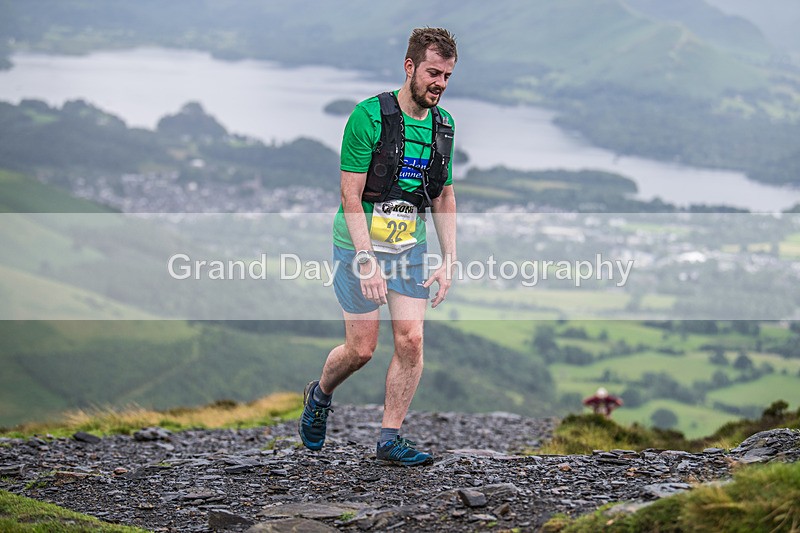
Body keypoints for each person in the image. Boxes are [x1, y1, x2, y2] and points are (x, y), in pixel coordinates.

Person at [298, 27, 459, 466]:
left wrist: (449, 260)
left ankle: (390, 439)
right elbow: (349, 195)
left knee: (411, 340)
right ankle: (321, 392)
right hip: (359, 244)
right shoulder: (368, 117)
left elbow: (443, 195)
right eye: (432, 73)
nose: (439, 84)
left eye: (446, 75)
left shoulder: (444, 126)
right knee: (361, 350)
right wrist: (367, 258)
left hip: (408, 246)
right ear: (410, 68)